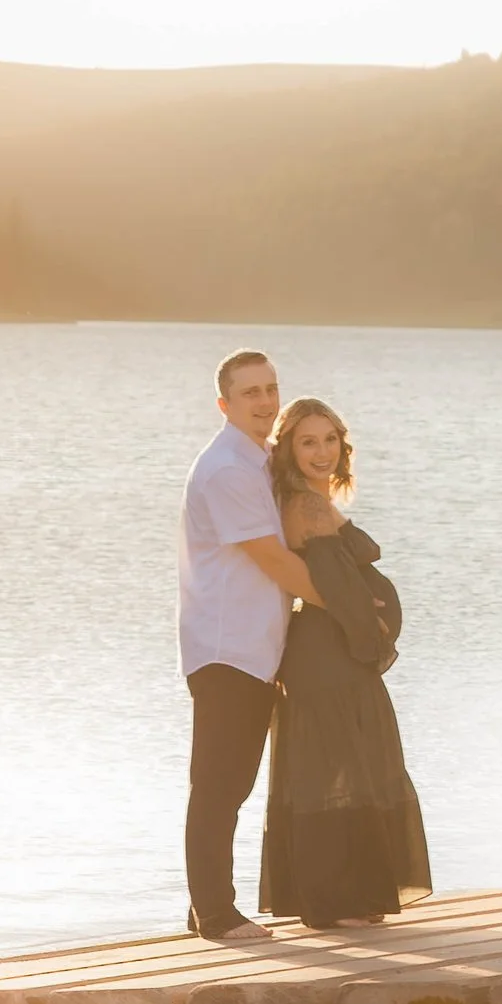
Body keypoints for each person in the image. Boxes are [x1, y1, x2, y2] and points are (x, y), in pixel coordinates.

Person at [259, 394, 431, 929]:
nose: (322, 451)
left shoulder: (313, 500)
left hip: (334, 655)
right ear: (287, 447)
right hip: (327, 657)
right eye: (308, 441)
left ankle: (343, 896)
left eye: (330, 439)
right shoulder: (304, 506)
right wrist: (372, 630)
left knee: (343, 766)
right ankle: (337, 901)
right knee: (339, 769)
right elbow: (333, 586)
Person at [178, 348, 314, 941]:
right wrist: (352, 610)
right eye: (250, 393)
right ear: (225, 404)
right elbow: (274, 560)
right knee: (219, 784)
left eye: (270, 389)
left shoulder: (257, 460)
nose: (264, 402)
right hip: (224, 648)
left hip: (253, 649)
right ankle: (215, 914)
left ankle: (205, 906)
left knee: (231, 783)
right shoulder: (229, 469)